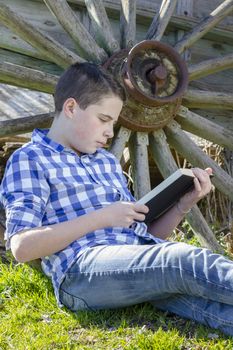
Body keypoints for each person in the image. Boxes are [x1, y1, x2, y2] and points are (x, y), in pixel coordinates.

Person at [1, 62, 233, 337]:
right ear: (71, 108)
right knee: (181, 259)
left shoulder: (105, 163)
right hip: (80, 274)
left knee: (209, 306)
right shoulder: (31, 158)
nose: (110, 132)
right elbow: (22, 247)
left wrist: (182, 205)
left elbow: (143, 238)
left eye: (113, 123)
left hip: (126, 266)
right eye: (103, 120)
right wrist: (102, 218)